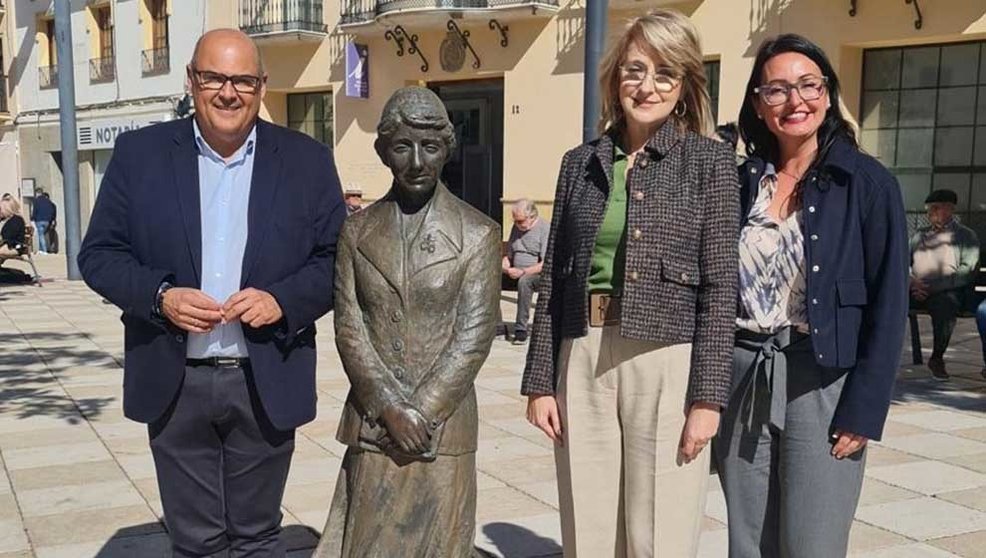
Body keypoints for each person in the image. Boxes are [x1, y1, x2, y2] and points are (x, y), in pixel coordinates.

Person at [78, 29, 345, 557]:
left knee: (257, 538)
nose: (228, 92)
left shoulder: (307, 161)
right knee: (195, 543)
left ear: (262, 86)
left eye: (243, 79)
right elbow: (99, 255)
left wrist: (282, 301)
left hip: (265, 376)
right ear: (192, 81)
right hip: (175, 382)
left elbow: (336, 259)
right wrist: (161, 297)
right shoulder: (140, 155)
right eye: (214, 78)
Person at [522, 10, 740, 557]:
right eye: (635, 70)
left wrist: (708, 398)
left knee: (658, 530)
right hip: (583, 350)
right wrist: (540, 380)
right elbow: (554, 278)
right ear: (615, 77)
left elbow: (720, 288)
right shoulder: (580, 163)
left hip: (667, 358)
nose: (647, 86)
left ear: (687, 86)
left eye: (665, 73)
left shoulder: (710, 162)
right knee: (588, 527)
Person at [716, 34, 909, 558]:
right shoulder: (740, 182)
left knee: (812, 544)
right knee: (748, 540)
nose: (794, 100)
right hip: (746, 373)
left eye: (808, 85)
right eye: (776, 89)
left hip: (824, 378)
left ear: (827, 94)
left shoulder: (867, 183)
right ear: (758, 102)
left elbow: (890, 305)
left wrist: (864, 409)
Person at [316, 86, 500, 557]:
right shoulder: (356, 232)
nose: (416, 161)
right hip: (375, 426)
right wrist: (388, 406)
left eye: (430, 147)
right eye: (402, 147)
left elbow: (474, 336)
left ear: (447, 149)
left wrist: (421, 411)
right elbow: (349, 325)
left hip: (444, 428)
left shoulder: (479, 234)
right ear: (383, 151)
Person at [910, 189, 980, 381]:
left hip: (946, 291)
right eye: (928, 209)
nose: (929, 213)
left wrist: (932, 287)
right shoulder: (919, 235)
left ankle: (937, 358)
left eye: (934, 208)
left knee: (945, 305)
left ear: (949, 209)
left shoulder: (966, 236)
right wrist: (912, 282)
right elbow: (901, 261)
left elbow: (967, 270)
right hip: (915, 288)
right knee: (885, 301)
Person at [503, 198, 550, 345]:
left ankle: (520, 329)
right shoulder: (516, 228)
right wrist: (505, 263)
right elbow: (509, 255)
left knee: (525, 282)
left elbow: (545, 263)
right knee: (488, 275)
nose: (517, 224)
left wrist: (523, 271)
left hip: (536, 274)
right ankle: (493, 324)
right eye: (515, 221)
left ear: (532, 217)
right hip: (514, 270)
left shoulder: (544, 229)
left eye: (521, 221)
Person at [0, 194, 26, 262]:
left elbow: (8, 237)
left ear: (7, 209)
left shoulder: (16, 220)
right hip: (7, 245)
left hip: (14, 247)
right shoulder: (6, 219)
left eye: (1, 209)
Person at [30, 189, 56, 254]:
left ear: (37, 193)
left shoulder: (36, 201)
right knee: (42, 235)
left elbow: (34, 211)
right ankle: (41, 250)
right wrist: (50, 219)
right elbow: (52, 210)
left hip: (39, 220)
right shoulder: (48, 201)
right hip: (47, 221)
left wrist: (32, 218)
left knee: (41, 235)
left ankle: (44, 250)